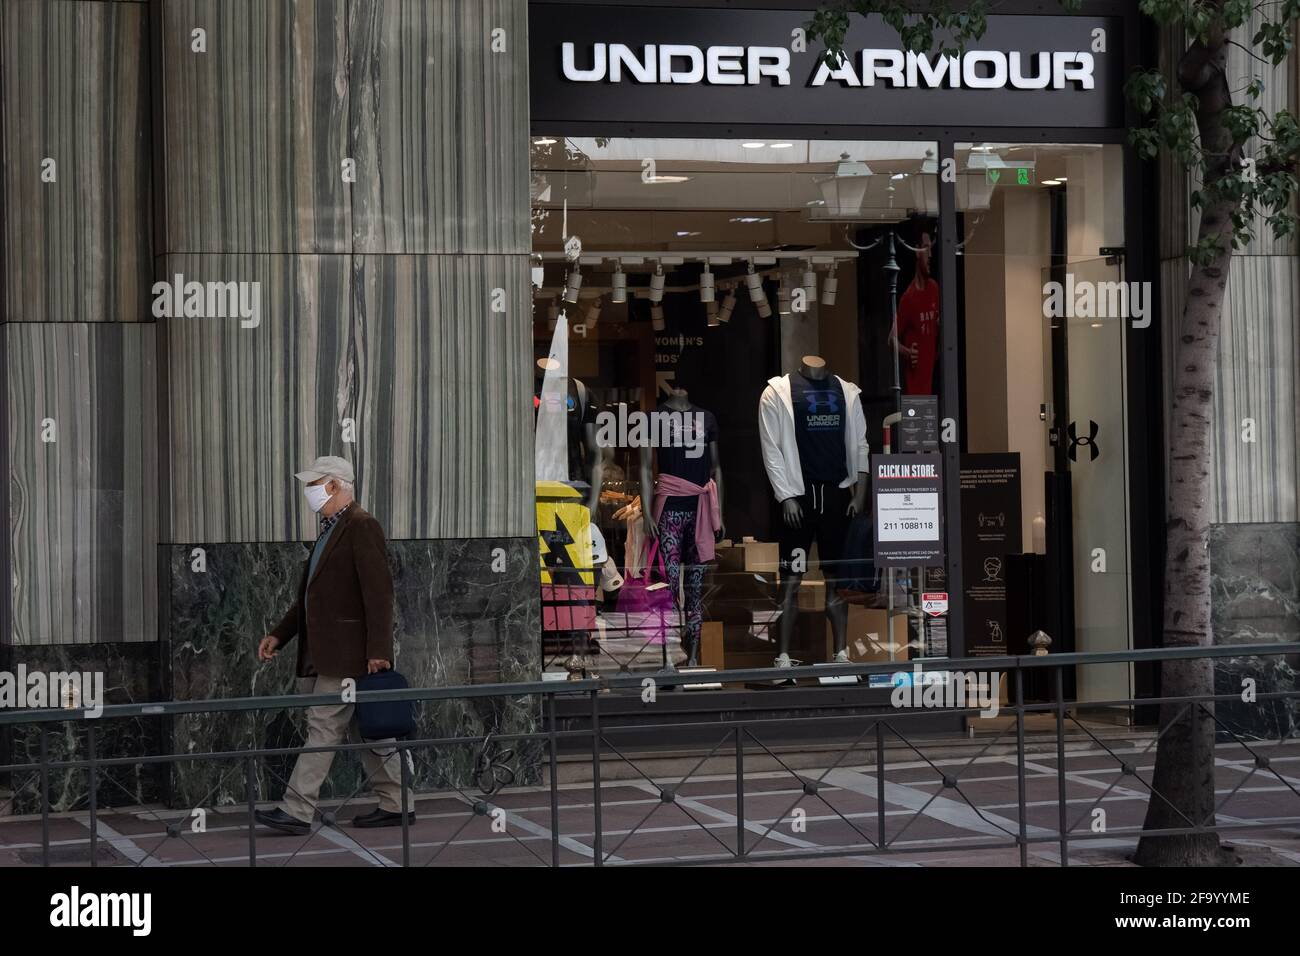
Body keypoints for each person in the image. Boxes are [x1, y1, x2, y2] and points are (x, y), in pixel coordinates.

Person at [253, 455, 413, 834]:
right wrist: (280, 634)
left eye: (315, 484)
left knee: (323, 726)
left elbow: (379, 594)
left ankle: (296, 810)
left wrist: (379, 651)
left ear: (336, 485)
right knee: (365, 729)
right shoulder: (331, 529)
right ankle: (398, 803)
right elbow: (311, 597)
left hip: (349, 655)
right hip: (335, 652)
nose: (309, 492)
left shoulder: (360, 525)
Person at [889, 231, 940, 395]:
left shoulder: (934, 289)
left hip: (936, 383)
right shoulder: (909, 298)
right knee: (920, 419)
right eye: (926, 248)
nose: (930, 255)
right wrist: (908, 352)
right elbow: (892, 339)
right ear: (917, 251)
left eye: (931, 248)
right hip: (915, 392)